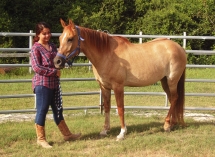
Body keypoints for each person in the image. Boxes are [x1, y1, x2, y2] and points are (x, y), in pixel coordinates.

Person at [31, 22, 81, 148]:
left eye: (48, 33)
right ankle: (41, 139)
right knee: (42, 110)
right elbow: (37, 67)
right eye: (44, 33)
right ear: (38, 35)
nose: (47, 35)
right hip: (42, 84)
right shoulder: (36, 48)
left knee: (58, 110)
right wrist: (54, 71)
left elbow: (58, 61)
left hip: (54, 83)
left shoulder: (53, 46)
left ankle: (67, 134)